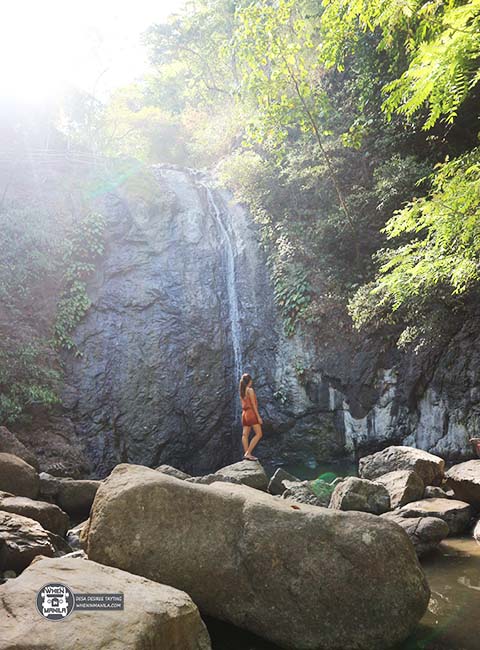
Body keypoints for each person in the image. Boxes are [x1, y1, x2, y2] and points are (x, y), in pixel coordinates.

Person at [239, 373, 263, 461]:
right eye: (251, 380)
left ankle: (247, 455)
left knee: (245, 435)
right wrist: (258, 417)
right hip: (251, 413)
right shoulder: (250, 390)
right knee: (259, 434)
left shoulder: (242, 391)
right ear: (249, 381)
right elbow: (253, 404)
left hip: (244, 414)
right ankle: (248, 453)